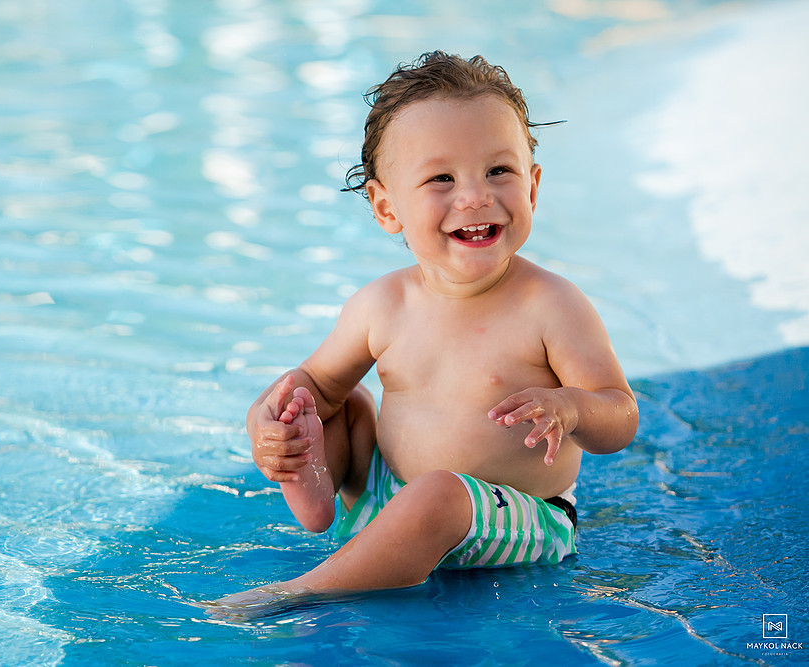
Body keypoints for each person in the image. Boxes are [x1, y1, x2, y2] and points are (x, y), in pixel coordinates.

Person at [215, 52, 638, 611]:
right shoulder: (382, 303)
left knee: (439, 492)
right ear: (387, 207)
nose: (476, 196)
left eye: (499, 171)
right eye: (442, 177)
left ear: (532, 186)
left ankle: (307, 590)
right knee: (315, 396)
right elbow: (317, 383)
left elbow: (621, 416)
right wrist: (266, 425)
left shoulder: (552, 304)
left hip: (519, 517)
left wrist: (572, 408)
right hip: (390, 500)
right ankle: (314, 491)